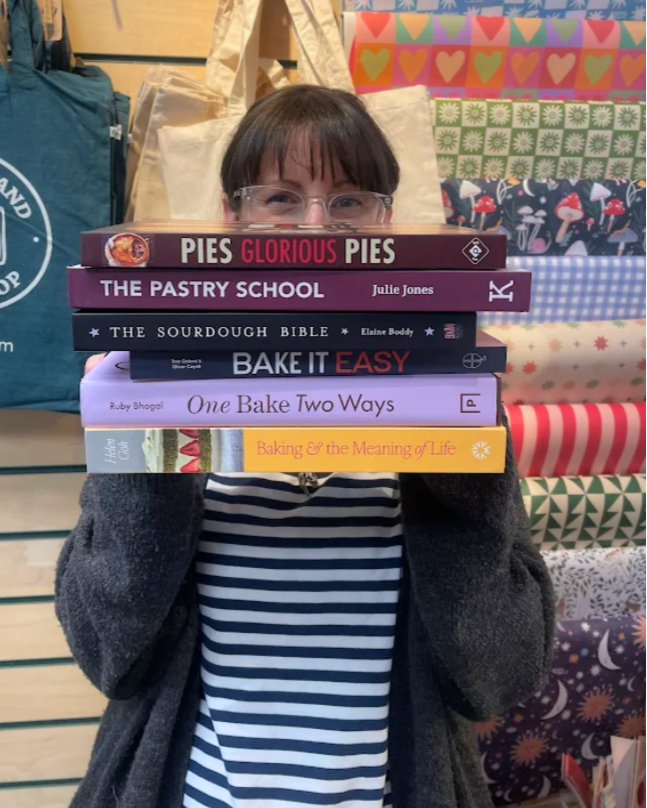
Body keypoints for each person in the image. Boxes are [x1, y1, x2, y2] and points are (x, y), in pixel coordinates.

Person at [56, 85, 555, 808]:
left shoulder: (447, 397)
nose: (317, 229)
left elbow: (497, 678)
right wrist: (138, 451)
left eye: (349, 200)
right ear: (231, 218)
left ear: (386, 221)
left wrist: (466, 488)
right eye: (281, 199)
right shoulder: (165, 384)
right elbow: (110, 658)